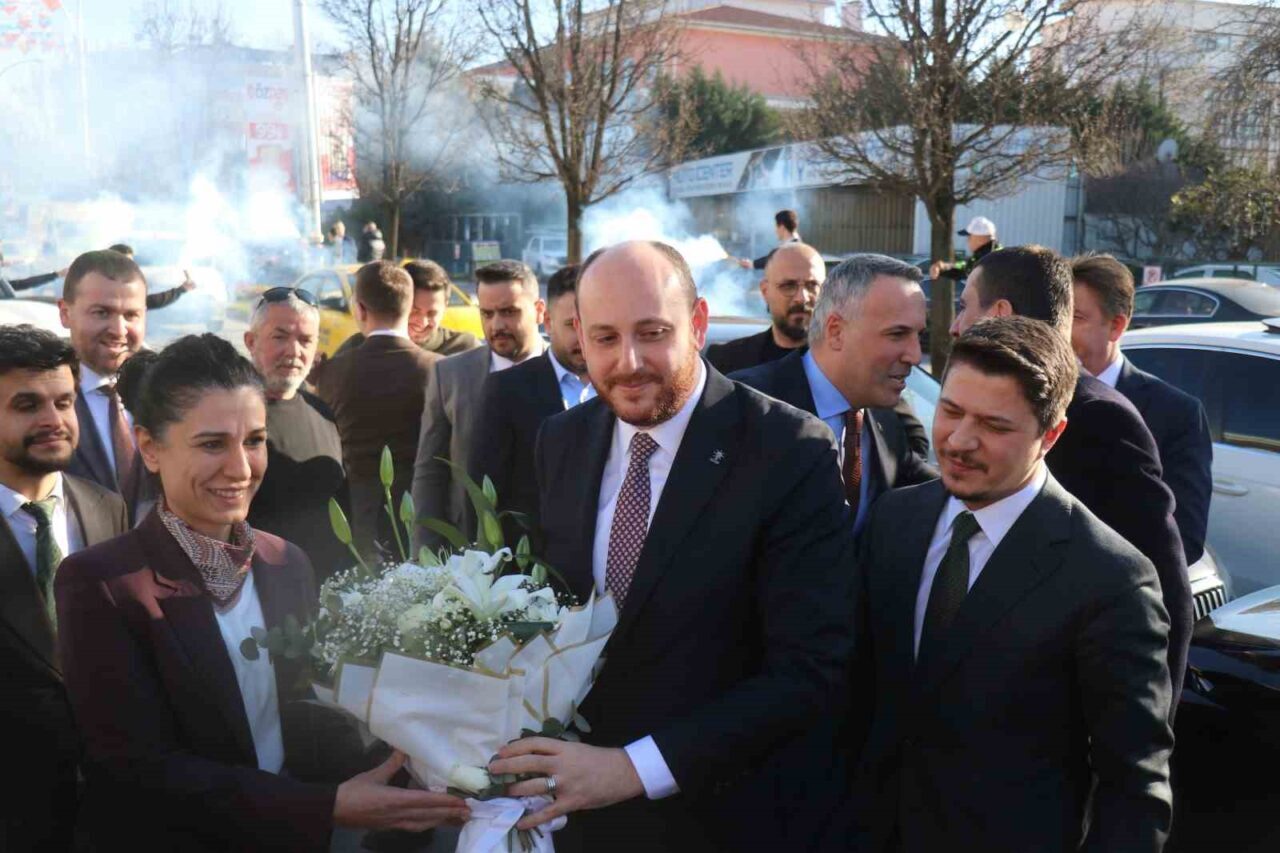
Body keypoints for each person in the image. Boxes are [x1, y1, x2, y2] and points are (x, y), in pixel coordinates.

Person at [487, 241, 856, 851]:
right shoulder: (561, 440)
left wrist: (634, 769)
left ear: (699, 323)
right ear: (577, 336)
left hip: (718, 818)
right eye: (605, 338)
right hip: (573, 818)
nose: (628, 362)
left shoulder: (788, 449)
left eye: (652, 333)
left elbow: (810, 670)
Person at [55, 334, 469, 851]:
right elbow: (137, 770)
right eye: (212, 444)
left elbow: (303, 719)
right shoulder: (104, 583)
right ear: (150, 447)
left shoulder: (284, 562)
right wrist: (322, 807)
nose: (241, 468)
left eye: (254, 440)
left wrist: (433, 759)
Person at [834, 316, 1173, 852]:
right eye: (950, 411)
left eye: (994, 426)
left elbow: (1134, 787)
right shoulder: (895, 520)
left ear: (1051, 435)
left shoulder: (1110, 579)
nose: (959, 441)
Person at [951, 244, 1192, 708]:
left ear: (999, 314)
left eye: (964, 306)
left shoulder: (1098, 417)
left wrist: (1151, 721)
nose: (955, 324)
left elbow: (1162, 584)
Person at [0, 325, 129, 853]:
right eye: (27, 404)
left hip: (108, 809)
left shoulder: (108, 509)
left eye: (64, 402)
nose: (53, 420)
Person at [733, 253, 937, 534]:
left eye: (918, 335)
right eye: (897, 334)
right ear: (836, 332)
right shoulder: (743, 407)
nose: (914, 355)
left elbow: (934, 493)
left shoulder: (886, 421)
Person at [1071, 253, 1212, 564]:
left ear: (1116, 326)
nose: (1061, 331)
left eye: (1076, 318)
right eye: (1059, 315)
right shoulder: (1033, 397)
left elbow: (1184, 539)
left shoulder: (1176, 414)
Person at [412, 260, 545, 547]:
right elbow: (430, 472)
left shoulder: (569, 373)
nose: (497, 325)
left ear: (539, 310)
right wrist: (424, 555)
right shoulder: (451, 375)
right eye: (487, 313)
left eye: (509, 312)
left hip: (550, 549)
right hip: (469, 549)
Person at [317, 263, 440, 559]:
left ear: (360, 309)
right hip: (425, 520)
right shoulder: (440, 369)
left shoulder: (332, 372)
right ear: (409, 308)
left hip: (357, 521)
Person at [468, 264, 592, 533]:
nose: (583, 338)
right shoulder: (505, 390)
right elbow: (483, 495)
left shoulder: (622, 386)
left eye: (593, 325)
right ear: (547, 321)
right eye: (571, 325)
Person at [243, 287, 349, 576]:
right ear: (251, 341)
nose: (293, 351)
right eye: (280, 337)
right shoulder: (228, 418)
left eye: (305, 340)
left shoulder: (322, 412)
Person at [58, 249, 153, 521]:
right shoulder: (34, 401)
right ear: (65, 313)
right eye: (102, 313)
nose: (119, 330)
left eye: (131, 315)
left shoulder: (166, 392)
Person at [707, 242, 821, 376]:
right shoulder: (727, 361)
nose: (802, 298)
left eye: (812, 285)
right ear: (765, 291)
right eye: (788, 286)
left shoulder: (840, 365)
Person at [331, 259, 481, 359]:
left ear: (445, 306)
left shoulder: (465, 349)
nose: (422, 322)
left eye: (431, 313)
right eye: (414, 311)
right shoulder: (358, 348)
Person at [107, 243, 197, 311]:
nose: (129, 266)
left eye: (130, 262)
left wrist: (181, 290)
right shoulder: (109, 284)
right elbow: (149, 302)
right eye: (124, 262)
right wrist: (181, 290)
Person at [929, 215, 1000, 281]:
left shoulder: (993, 260)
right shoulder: (985, 256)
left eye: (970, 237)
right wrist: (944, 267)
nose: (968, 240)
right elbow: (965, 267)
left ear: (980, 239)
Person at [735, 208, 801, 270]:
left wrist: (751, 264)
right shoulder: (795, 246)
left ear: (782, 227)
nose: (775, 231)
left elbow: (773, 259)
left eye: (776, 227)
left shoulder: (790, 250)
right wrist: (751, 264)